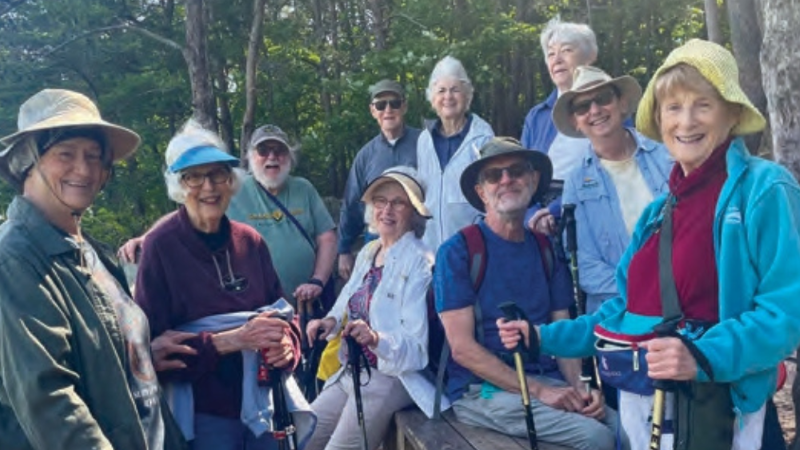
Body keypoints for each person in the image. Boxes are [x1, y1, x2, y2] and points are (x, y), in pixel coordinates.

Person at [501, 39, 800, 449]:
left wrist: (701, 355)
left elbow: (784, 313)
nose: (686, 121)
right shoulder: (658, 213)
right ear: (660, 119)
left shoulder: (763, 189)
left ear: (731, 114)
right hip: (647, 415)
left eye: (703, 105)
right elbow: (621, 314)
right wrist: (541, 337)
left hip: (722, 416)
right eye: (673, 107)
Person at [0, 89, 185, 449]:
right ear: (28, 159)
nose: (84, 169)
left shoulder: (91, 252)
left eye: (94, 156)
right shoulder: (15, 260)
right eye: (65, 154)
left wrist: (140, 351)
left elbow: (107, 366)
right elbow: (51, 402)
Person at [436, 137, 621, 450]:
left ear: (533, 180)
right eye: (494, 175)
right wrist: (539, 391)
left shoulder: (546, 249)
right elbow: (462, 349)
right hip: (482, 389)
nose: (506, 180)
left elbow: (562, 331)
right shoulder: (459, 251)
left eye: (517, 171)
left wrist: (581, 388)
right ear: (481, 192)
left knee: (622, 430)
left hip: (546, 379)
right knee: (597, 439)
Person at [134, 120, 309, 450]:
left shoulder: (251, 241)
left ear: (231, 181)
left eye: (217, 174)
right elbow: (152, 352)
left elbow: (285, 316)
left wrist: (289, 347)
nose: (208, 187)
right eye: (194, 176)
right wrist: (231, 341)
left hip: (265, 406)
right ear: (178, 186)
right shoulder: (161, 247)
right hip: (203, 414)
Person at [120, 124, 336, 311]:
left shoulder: (300, 190)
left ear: (289, 156)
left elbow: (326, 237)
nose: (272, 156)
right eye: (263, 150)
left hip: (307, 304)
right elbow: (190, 211)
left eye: (279, 150)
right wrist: (148, 237)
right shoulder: (234, 189)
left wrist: (317, 281)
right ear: (250, 156)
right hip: (254, 311)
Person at [305, 166, 442, 450]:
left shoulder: (420, 260)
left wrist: (376, 339)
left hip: (392, 376)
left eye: (398, 202)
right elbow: (348, 298)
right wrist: (330, 321)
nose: (387, 210)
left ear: (414, 212)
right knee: (302, 437)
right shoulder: (370, 251)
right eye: (381, 201)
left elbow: (417, 350)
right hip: (352, 370)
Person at [553, 65, 672, 313]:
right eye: (582, 107)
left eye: (603, 98)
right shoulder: (575, 182)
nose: (595, 110)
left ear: (622, 103)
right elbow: (584, 264)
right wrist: (642, 291)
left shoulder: (667, 155)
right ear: (576, 121)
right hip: (618, 312)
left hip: (683, 297)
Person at [521, 19, 598, 234]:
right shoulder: (537, 116)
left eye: (566, 50)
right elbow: (521, 172)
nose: (557, 60)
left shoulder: (605, 109)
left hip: (590, 211)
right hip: (537, 217)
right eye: (550, 53)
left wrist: (555, 209)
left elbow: (612, 170)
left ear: (589, 57)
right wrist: (531, 214)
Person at [338, 80, 420, 281]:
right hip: (377, 242)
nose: (388, 110)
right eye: (381, 105)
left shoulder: (425, 143)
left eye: (394, 103)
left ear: (404, 106)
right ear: (373, 110)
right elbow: (352, 203)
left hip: (420, 238)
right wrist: (344, 249)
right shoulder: (365, 155)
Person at [416, 55, 494, 251]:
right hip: (430, 248)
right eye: (441, 90)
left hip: (471, 247)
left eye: (455, 90)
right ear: (432, 99)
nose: (448, 97)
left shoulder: (482, 137)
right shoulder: (424, 140)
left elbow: (492, 196)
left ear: (467, 96)